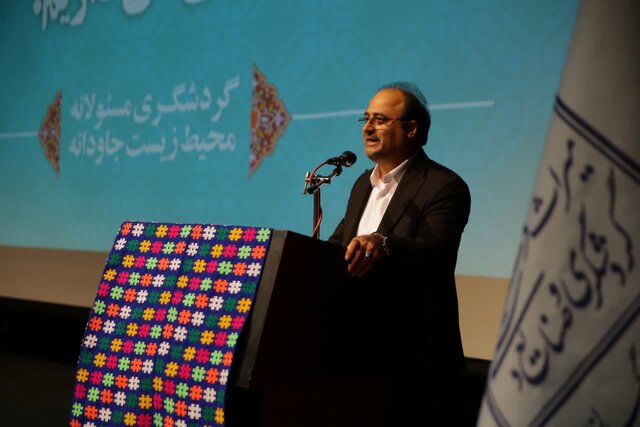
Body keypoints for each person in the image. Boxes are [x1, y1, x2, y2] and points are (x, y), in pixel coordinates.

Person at [328, 82, 471, 426]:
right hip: (357, 356)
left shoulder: (444, 186)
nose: (368, 127)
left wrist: (384, 243)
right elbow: (339, 245)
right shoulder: (362, 184)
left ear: (411, 129)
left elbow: (437, 254)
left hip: (414, 361)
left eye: (380, 120)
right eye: (366, 119)